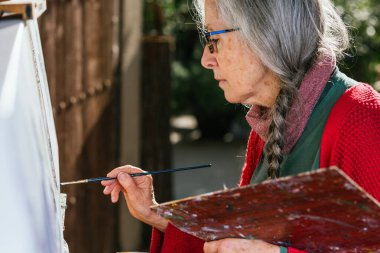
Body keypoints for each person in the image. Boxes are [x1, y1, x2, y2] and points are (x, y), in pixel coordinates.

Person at [102, 0, 380, 252]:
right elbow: (235, 242)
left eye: (213, 39)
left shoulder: (362, 119)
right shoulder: (268, 122)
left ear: (264, 33)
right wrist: (158, 215)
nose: (205, 59)